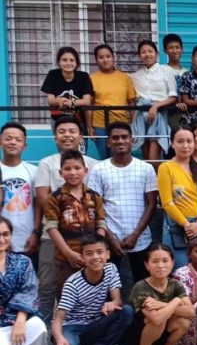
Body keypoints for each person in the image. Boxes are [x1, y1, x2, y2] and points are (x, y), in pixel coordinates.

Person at [34, 116, 98, 325]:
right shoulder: (46, 163)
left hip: (86, 239)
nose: (67, 135)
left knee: (85, 285)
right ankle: (45, 334)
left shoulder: (94, 165)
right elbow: (43, 197)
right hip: (51, 236)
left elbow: (97, 201)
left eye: (72, 131)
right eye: (62, 131)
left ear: (81, 136)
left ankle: (79, 332)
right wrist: (66, 224)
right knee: (48, 285)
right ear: (55, 137)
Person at [87, 122, 158, 289]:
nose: (120, 141)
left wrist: (135, 234)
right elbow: (95, 207)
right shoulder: (99, 169)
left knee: (145, 287)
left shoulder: (146, 168)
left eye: (124, 137)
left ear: (132, 140)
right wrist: (110, 238)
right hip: (109, 240)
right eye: (115, 138)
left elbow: (152, 203)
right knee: (107, 290)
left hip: (141, 240)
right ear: (108, 142)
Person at [51, 235, 133, 345]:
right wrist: (59, 339)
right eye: (89, 253)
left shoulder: (111, 269)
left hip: (94, 324)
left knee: (126, 311)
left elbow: (118, 300)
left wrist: (112, 303)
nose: (95, 257)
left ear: (107, 254)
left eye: (99, 252)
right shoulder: (73, 284)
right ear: (82, 258)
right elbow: (58, 320)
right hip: (71, 327)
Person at [120, 244, 195, 345]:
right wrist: (177, 302)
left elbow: (190, 312)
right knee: (158, 320)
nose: (161, 265)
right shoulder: (141, 287)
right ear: (147, 265)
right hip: (135, 339)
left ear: (172, 263)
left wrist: (167, 303)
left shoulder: (175, 285)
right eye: (155, 261)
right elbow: (156, 319)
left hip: (159, 338)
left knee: (183, 321)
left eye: (165, 261)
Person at [44, 150, 107, 295]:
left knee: (95, 297)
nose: (73, 173)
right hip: (66, 259)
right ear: (60, 172)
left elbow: (101, 223)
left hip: (93, 258)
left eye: (77, 168)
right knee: (67, 297)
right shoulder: (55, 198)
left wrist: (98, 251)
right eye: (67, 169)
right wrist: (68, 253)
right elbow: (52, 227)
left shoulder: (94, 196)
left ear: (85, 171)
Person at [158, 127, 197, 269]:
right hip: (177, 226)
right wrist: (187, 225)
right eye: (180, 141)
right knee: (180, 271)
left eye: (189, 141)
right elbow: (167, 203)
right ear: (172, 144)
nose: (185, 145)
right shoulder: (166, 167)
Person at [0, 216, 48, 345]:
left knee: (37, 326)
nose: (1, 239)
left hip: (14, 320)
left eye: (5, 234)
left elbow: (29, 292)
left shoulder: (23, 262)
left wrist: (20, 321)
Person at [130, 40, 177, 163]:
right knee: (145, 156)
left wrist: (156, 106)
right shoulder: (136, 75)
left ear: (157, 54)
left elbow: (173, 96)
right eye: (143, 52)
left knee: (153, 158)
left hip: (159, 115)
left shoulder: (166, 70)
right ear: (140, 56)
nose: (147, 54)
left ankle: (157, 181)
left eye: (150, 51)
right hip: (141, 117)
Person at [88, 44, 137, 159]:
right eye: (101, 57)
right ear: (96, 60)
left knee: (122, 156)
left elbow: (131, 103)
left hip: (122, 123)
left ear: (113, 57)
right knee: (104, 158)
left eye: (108, 56)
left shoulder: (124, 78)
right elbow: (89, 104)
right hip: (100, 123)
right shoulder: (92, 78)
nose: (105, 60)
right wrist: (90, 127)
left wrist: (133, 125)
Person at [1, 123, 38, 255]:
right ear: (0, 142)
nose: (12, 142)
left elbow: (38, 206)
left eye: (18, 140)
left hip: (27, 240)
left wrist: (36, 233)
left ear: (25, 146)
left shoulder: (34, 171)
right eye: (8, 138)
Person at [40, 46, 93, 136]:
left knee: (80, 149)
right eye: (64, 60)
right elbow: (50, 100)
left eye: (72, 60)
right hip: (58, 120)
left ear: (77, 63)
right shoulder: (53, 75)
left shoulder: (83, 76)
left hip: (79, 120)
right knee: (63, 149)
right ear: (59, 62)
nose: (68, 63)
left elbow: (87, 101)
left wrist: (71, 102)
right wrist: (59, 101)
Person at [162, 34, 186, 129]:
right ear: (165, 51)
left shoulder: (187, 72)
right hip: (168, 111)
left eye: (177, 47)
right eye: (171, 48)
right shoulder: (162, 69)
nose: (175, 51)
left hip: (185, 112)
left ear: (182, 49)